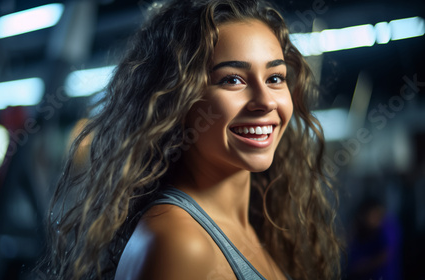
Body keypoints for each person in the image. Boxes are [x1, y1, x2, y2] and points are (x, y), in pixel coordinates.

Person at [44, 0, 342, 279]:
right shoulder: (180, 244)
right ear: (178, 100)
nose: (265, 101)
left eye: (275, 78)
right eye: (232, 79)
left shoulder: (261, 224)